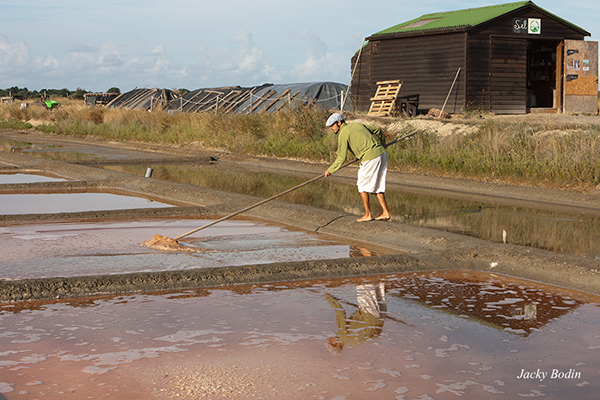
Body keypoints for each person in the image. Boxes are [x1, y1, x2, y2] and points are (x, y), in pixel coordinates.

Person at [324, 113, 390, 222]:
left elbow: (341, 157)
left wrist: (330, 170)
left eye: (332, 125)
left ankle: (368, 214)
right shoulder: (357, 125)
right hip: (382, 154)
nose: (331, 128)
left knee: (362, 186)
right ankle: (385, 213)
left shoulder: (343, 134)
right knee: (377, 185)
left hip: (370, 158)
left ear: (339, 123)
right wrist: (383, 143)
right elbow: (377, 130)